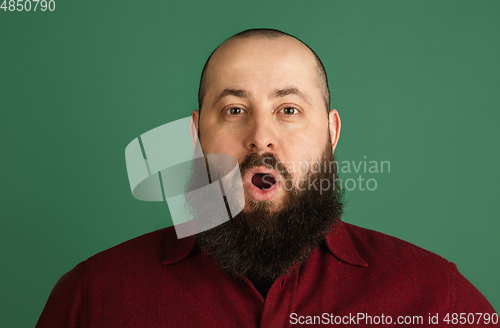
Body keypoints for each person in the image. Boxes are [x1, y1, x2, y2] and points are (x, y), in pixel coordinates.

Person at [36, 28, 498, 328]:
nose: (261, 139)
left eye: (289, 110)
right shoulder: (91, 299)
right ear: (196, 135)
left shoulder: (435, 297)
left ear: (331, 133)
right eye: (235, 111)